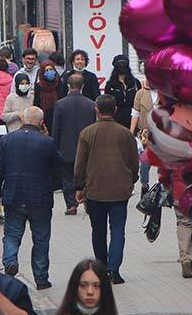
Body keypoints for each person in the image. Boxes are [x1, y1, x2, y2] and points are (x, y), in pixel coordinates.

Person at [0, 107, 62, 288]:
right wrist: (52, 187)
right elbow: (58, 170)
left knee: (12, 234)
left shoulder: (7, 140)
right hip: (40, 198)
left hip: (13, 195)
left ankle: (10, 260)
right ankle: (41, 278)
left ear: (23, 120)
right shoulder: (47, 142)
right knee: (41, 238)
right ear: (41, 122)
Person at [74, 96, 139, 285]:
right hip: (120, 190)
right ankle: (114, 270)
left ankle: (101, 268)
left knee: (98, 230)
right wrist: (131, 179)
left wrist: (79, 186)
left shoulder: (87, 133)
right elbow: (134, 162)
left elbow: (80, 164)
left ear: (96, 110)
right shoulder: (126, 134)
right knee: (118, 229)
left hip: (95, 190)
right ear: (116, 109)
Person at [51, 73, 97, 215]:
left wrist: (55, 147)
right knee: (87, 176)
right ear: (83, 86)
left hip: (66, 148)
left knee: (67, 177)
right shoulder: (90, 104)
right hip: (86, 148)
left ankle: (71, 205)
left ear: (68, 86)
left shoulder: (60, 104)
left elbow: (56, 128)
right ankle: (88, 202)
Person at [129, 77, 157, 190]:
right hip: (146, 132)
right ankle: (144, 184)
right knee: (145, 163)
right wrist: (131, 132)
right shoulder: (140, 93)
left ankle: (161, 187)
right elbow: (135, 113)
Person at [103, 56, 140, 128]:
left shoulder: (135, 83)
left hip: (134, 121)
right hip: (116, 122)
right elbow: (108, 104)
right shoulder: (110, 85)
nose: (122, 66)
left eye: (124, 64)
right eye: (120, 64)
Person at [32, 63, 61, 131]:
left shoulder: (59, 83)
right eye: (47, 70)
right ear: (42, 73)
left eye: (51, 69)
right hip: (44, 118)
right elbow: (37, 103)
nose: (49, 72)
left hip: (57, 116)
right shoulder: (39, 86)